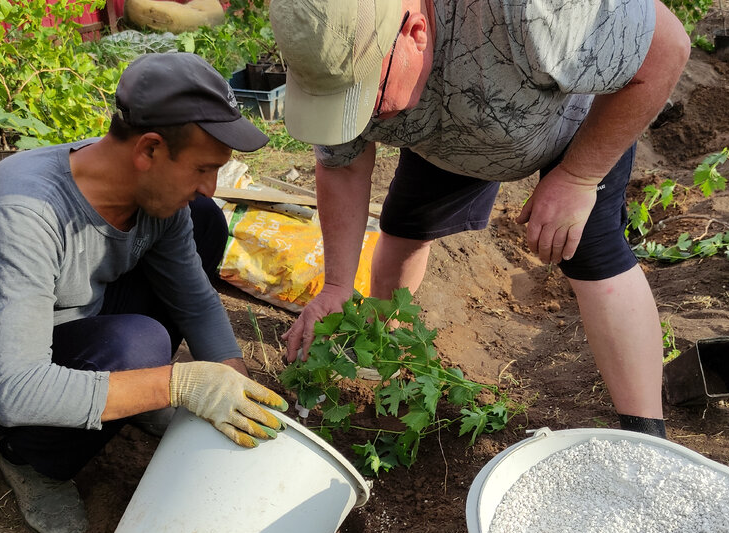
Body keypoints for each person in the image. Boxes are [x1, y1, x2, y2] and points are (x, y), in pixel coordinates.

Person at [270, 0, 690, 439]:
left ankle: (646, 437)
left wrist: (578, 177)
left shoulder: (532, 11)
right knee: (405, 227)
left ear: (415, 34)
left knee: (591, 251)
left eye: (364, 101)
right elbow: (342, 166)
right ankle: (386, 351)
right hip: (446, 133)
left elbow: (666, 50)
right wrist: (337, 286)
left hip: (572, 125)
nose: (359, 119)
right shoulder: (328, 42)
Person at [0, 53, 289, 533]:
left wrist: (235, 391)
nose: (209, 186)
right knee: (138, 345)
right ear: (150, 149)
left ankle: (128, 396)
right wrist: (179, 384)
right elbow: (16, 391)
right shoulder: (27, 212)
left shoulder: (154, 198)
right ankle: (33, 461)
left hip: (75, 325)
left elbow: (194, 300)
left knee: (205, 220)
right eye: (203, 168)